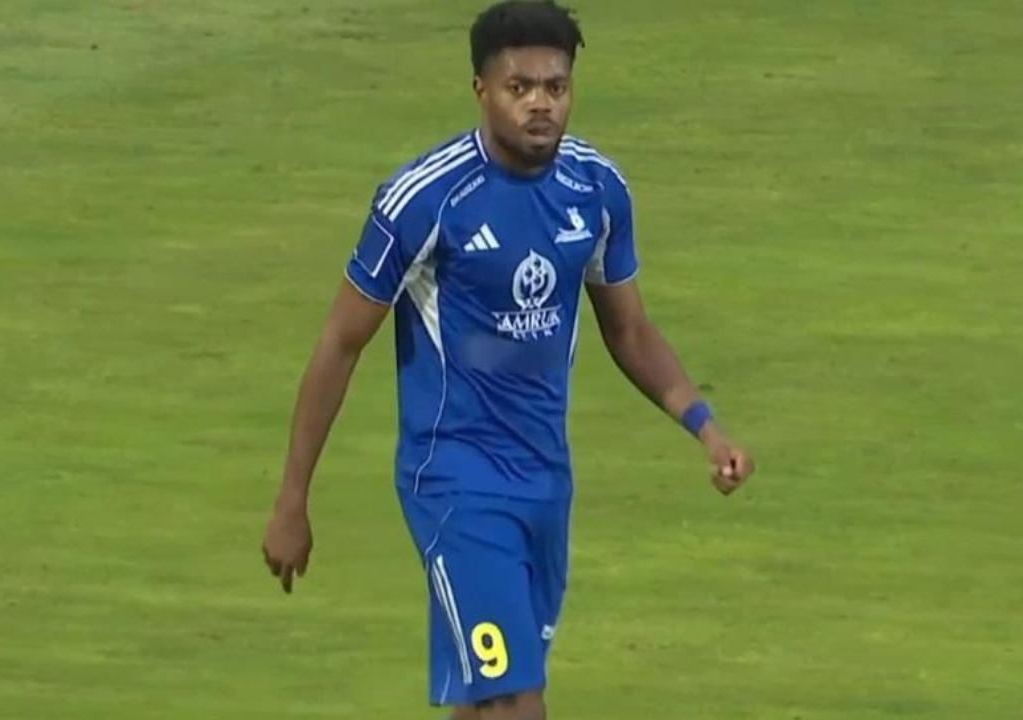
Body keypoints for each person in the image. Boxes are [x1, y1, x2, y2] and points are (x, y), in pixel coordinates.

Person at [261, 2, 755, 718]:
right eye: (519, 87)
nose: (540, 104)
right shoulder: (425, 200)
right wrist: (292, 500)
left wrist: (704, 427)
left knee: (482, 697)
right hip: (454, 480)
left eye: (556, 87)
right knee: (516, 701)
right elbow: (340, 343)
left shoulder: (596, 190)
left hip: (545, 479)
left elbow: (629, 331)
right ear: (481, 90)